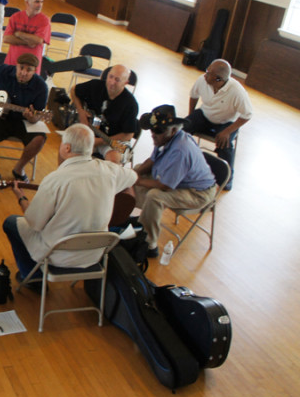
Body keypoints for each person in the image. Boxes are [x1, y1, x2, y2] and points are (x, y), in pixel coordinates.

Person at [3, 124, 137, 279]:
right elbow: (133, 176)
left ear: (66, 148)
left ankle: (32, 276)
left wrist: (21, 197)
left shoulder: (55, 180)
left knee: (11, 222)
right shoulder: (110, 171)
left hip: (58, 255)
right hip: (95, 253)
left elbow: (35, 223)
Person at [134, 105, 217, 258]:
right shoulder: (164, 140)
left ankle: (149, 244)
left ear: (173, 130)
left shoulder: (180, 149)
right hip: (179, 182)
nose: (153, 134)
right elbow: (153, 160)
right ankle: (143, 221)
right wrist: (134, 173)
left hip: (198, 194)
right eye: (152, 129)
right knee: (138, 169)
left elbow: (164, 186)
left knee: (155, 196)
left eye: (158, 131)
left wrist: (135, 180)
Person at [0, 53, 49, 182]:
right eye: (21, 68)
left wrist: (31, 118)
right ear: (16, 66)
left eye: (29, 70)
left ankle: (19, 169)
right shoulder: (4, 71)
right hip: (1, 117)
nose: (23, 73)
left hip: (24, 122)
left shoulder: (41, 87)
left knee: (40, 138)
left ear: (35, 71)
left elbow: (37, 116)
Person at [183, 59, 252, 190]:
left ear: (218, 79)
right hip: (205, 114)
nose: (205, 75)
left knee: (224, 146)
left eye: (208, 73)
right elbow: (193, 95)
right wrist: (190, 117)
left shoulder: (237, 91)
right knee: (182, 130)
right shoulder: (202, 81)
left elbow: (247, 115)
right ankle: (184, 162)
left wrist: (227, 132)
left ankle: (227, 179)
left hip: (226, 122)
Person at [70, 64, 139, 164]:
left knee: (113, 160)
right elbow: (74, 90)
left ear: (125, 83)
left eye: (117, 80)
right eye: (110, 77)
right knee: (69, 149)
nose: (112, 82)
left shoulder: (131, 104)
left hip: (114, 140)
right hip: (93, 133)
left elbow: (128, 134)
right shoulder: (95, 86)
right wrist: (81, 112)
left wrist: (100, 141)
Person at [3, 0, 50, 72]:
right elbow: (6, 38)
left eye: (42, 2)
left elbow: (38, 40)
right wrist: (29, 41)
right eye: (37, 1)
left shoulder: (45, 20)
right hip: (12, 64)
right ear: (27, 2)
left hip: (32, 69)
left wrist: (20, 34)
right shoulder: (15, 17)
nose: (40, 5)